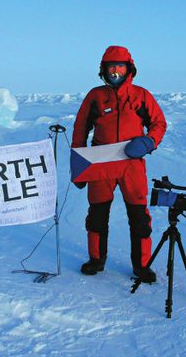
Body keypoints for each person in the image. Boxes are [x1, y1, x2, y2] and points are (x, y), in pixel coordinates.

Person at [71, 46, 167, 283]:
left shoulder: (141, 96)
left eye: (119, 67)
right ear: (103, 70)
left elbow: (159, 124)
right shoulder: (95, 96)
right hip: (100, 164)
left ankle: (142, 266)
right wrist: (78, 165)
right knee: (97, 214)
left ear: (129, 69)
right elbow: (80, 129)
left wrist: (148, 142)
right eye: (110, 67)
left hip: (131, 166)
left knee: (139, 217)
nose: (115, 72)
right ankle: (96, 259)